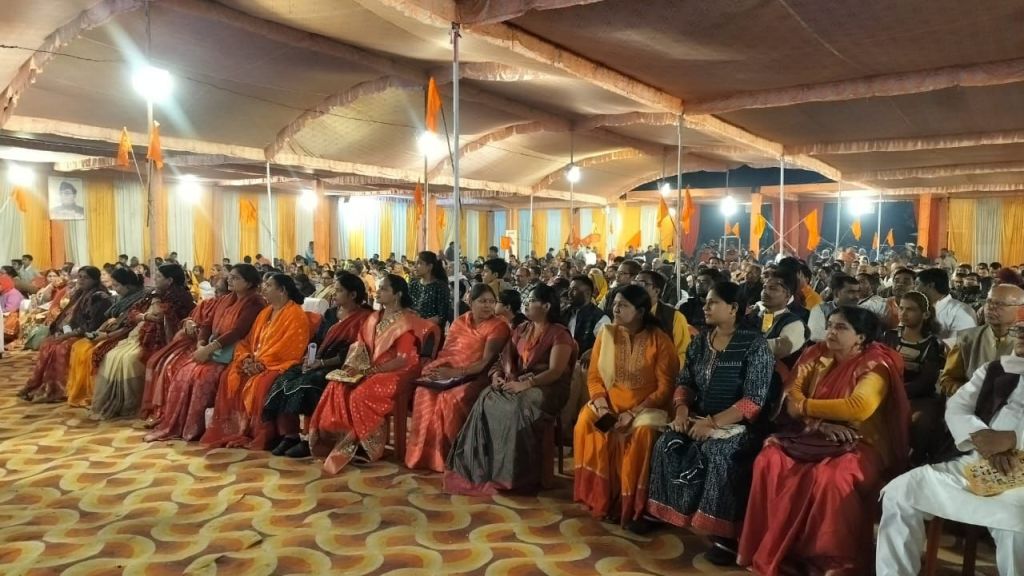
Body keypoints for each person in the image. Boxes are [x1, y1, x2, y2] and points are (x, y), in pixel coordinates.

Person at [738, 307, 908, 575]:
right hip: (811, 434)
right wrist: (818, 422)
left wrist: (805, 406)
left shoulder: (876, 364)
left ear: (861, 337)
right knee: (769, 459)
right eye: (830, 325)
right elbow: (791, 397)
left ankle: (832, 561)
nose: (831, 332)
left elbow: (858, 407)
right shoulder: (816, 353)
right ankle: (784, 551)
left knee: (831, 478)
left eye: (841, 327)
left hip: (860, 442)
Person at [875, 317, 1024, 576]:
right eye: (1020, 329)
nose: (1021, 335)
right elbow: (958, 406)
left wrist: (1014, 440)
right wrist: (984, 439)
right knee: (901, 493)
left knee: (1016, 527)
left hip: (1019, 480)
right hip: (975, 461)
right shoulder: (995, 369)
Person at [646, 281, 775, 565]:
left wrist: (713, 423)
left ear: (733, 308)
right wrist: (681, 412)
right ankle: (664, 511)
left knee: (717, 453)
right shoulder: (701, 341)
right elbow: (685, 382)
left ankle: (723, 534)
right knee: (667, 442)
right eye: (705, 302)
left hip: (740, 425)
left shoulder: (754, 345)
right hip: (699, 417)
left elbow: (753, 400)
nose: (705, 307)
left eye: (712, 302)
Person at [445, 283, 576, 495]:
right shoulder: (522, 329)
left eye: (531, 301)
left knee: (515, 406)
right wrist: (496, 376)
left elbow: (555, 372)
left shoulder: (559, 334)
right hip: (517, 382)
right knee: (487, 395)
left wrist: (526, 384)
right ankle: (485, 467)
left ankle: (514, 475)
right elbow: (502, 358)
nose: (526, 304)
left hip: (547, 388)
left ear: (546, 306)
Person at [573, 284, 679, 530]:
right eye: (615, 304)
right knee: (586, 420)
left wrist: (633, 412)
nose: (615, 309)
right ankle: (600, 498)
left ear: (640, 311)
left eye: (623, 305)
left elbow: (665, 387)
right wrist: (602, 407)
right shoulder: (607, 334)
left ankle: (630, 505)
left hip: (647, 407)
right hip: (609, 403)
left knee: (642, 432)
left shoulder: (659, 340)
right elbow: (595, 378)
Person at [309, 274, 424, 472]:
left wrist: (370, 370)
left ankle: (368, 447)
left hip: (398, 371)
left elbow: (402, 359)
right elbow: (359, 345)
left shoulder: (405, 321)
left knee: (360, 394)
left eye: (384, 289)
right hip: (369, 367)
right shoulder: (374, 317)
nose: (378, 292)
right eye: (379, 288)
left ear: (397, 294)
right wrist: (353, 367)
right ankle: (334, 440)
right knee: (337, 385)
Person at [143, 265, 265, 441]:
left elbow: (238, 332)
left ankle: (194, 427)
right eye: (229, 276)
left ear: (249, 283)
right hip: (212, 348)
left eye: (235, 278)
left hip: (234, 352)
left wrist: (208, 349)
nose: (229, 280)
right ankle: (175, 423)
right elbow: (207, 324)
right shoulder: (226, 299)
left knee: (202, 378)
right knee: (183, 372)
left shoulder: (255, 303)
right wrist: (201, 344)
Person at [259, 272, 373, 457]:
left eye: (339, 290)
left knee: (308, 385)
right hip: (318, 361)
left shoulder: (365, 318)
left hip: (343, 365)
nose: (334, 293)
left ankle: (312, 439)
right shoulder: (331, 313)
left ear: (353, 294)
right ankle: (290, 435)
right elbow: (317, 339)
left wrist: (321, 363)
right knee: (284, 379)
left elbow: (356, 350)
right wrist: (309, 358)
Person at [405, 284, 510, 472]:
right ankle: (424, 456)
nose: (487, 306)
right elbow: (449, 352)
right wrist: (441, 370)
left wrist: (455, 373)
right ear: (470, 302)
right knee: (423, 391)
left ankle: (453, 456)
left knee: (450, 399)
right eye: (482, 301)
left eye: (491, 302)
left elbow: (486, 363)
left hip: (478, 377)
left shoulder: (498, 326)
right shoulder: (460, 322)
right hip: (451, 373)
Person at [201, 273, 310, 450]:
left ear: (282, 290)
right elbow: (248, 341)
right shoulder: (265, 312)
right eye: (264, 284)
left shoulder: (295, 314)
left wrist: (261, 364)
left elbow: (289, 348)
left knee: (260, 384)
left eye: (269, 285)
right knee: (230, 375)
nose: (263, 288)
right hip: (257, 361)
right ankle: (237, 429)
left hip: (280, 364)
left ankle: (264, 434)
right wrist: (246, 359)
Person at [90, 264, 195, 420]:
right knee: (112, 355)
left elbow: (160, 316)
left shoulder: (180, 296)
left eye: (158, 276)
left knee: (129, 360)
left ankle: (130, 404)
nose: (154, 279)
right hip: (140, 333)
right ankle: (116, 403)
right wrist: (145, 316)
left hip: (163, 338)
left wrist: (150, 308)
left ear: (170, 280)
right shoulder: (153, 294)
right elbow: (134, 312)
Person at [19, 267, 112, 402]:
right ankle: (41, 384)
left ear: (95, 280)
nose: (81, 280)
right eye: (80, 277)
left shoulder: (99, 297)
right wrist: (62, 331)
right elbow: (68, 316)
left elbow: (92, 325)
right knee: (48, 344)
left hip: (88, 333)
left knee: (60, 348)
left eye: (85, 277)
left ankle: (60, 389)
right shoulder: (79, 293)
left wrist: (67, 335)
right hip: (72, 331)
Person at [64, 268, 149, 408]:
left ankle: (94, 394)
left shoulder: (140, 299)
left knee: (89, 351)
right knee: (78, 346)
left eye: (116, 285)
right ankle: (84, 392)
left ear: (128, 285)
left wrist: (105, 334)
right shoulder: (122, 296)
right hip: (113, 330)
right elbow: (113, 316)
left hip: (127, 335)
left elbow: (128, 324)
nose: (113, 288)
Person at [882, 291, 946, 465]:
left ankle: (914, 461)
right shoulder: (890, 336)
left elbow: (926, 382)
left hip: (918, 396)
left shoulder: (932, 344)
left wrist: (897, 391)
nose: (903, 313)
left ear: (925, 314)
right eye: (901, 308)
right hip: (885, 389)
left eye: (910, 309)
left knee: (920, 420)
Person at [938, 283, 1024, 396]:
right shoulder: (967, 338)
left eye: (1000, 304)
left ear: (1021, 309)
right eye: (988, 301)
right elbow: (948, 379)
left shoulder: (1021, 341)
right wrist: (970, 393)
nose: (990, 307)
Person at [916, 267, 977, 346]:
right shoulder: (919, 307)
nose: (914, 289)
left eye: (917, 284)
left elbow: (958, 347)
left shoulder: (961, 312)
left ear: (930, 285)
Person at [808, 274, 860, 342]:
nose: (857, 296)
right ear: (836, 293)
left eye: (858, 292)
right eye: (851, 292)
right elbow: (816, 335)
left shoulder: (863, 312)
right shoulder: (821, 309)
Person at [408, 251, 452, 328]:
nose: (415, 266)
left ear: (429, 266)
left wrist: (421, 324)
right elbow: (407, 306)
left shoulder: (440, 287)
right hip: (413, 327)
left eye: (419, 263)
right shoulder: (413, 284)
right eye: (415, 263)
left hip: (431, 330)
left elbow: (442, 315)